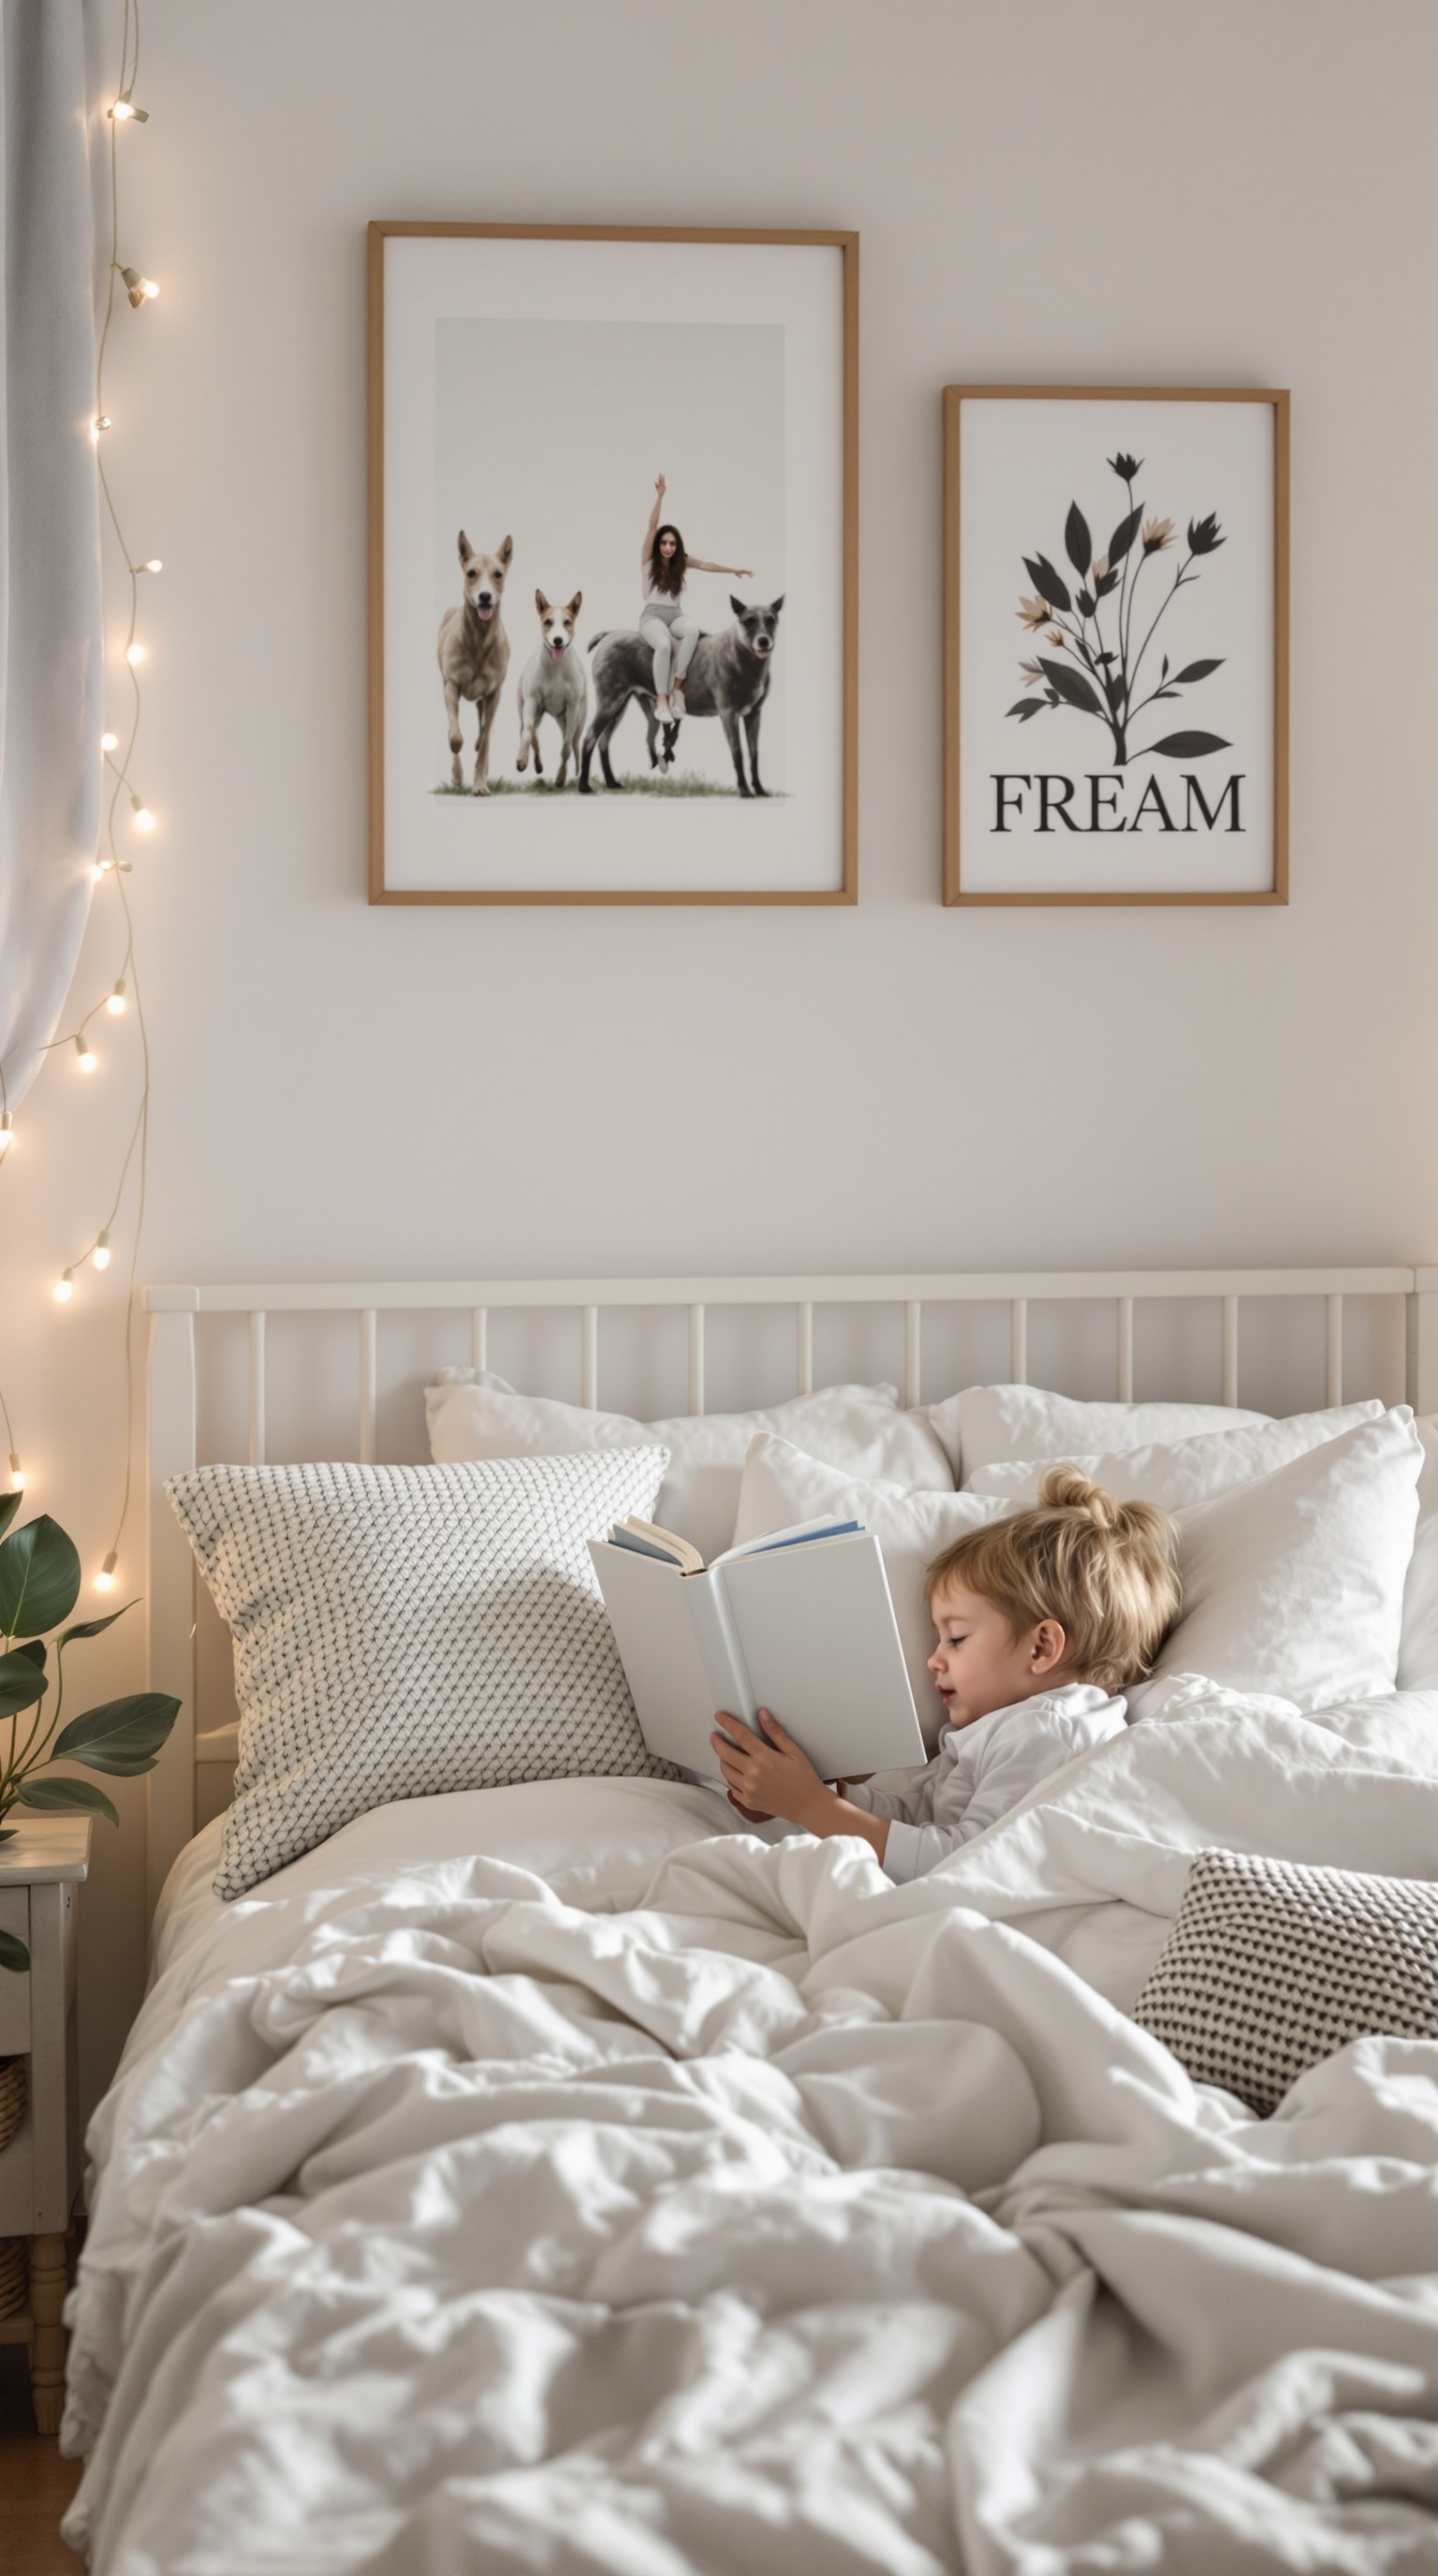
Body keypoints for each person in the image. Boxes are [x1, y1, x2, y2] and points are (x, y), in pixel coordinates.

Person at [709, 1469, 1181, 1884]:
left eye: (955, 1639)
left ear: (1041, 1647)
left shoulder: (1050, 1729)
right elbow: (919, 1820)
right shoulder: (997, 1729)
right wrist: (817, 1791)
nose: (933, 1660)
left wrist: (809, 1806)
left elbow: (964, 1860)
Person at [640, 475, 754, 721]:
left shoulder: (680, 563)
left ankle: (678, 688)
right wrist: (660, 497)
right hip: (652, 617)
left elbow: (705, 564)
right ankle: (662, 700)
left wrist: (732, 569)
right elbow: (652, 526)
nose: (668, 547)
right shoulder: (649, 560)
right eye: (664, 543)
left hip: (675, 615)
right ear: (658, 545)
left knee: (692, 630)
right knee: (663, 645)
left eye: (672, 543)